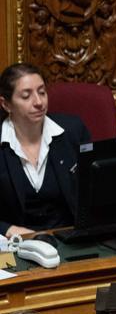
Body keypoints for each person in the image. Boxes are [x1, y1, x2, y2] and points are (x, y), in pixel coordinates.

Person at [0, 63, 92, 239]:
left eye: (42, 92)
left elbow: (95, 191)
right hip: (16, 244)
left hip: (69, 238)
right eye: (26, 96)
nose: (39, 102)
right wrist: (7, 229)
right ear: (6, 104)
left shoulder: (72, 131)